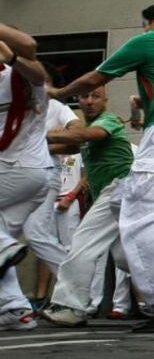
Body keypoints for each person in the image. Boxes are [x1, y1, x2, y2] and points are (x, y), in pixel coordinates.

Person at [48, 3, 154, 333]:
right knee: (131, 224)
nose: (143, 31)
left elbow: (95, 77)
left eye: (145, 25)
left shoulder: (152, 39)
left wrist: (59, 92)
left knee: (143, 218)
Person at [39, 85, 133, 327]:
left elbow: (84, 136)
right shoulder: (87, 129)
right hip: (118, 193)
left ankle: (71, 306)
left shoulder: (107, 120)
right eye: (84, 96)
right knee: (127, 257)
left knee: (82, 242)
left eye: (95, 96)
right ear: (78, 101)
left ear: (105, 99)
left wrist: (35, 133)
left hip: (121, 188)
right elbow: (70, 146)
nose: (89, 101)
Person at [0, 23, 49, 331]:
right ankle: (15, 308)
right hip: (36, 175)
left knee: (2, 246)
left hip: (13, 169)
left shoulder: (24, 76)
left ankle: (4, 245)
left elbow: (28, 47)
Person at [22, 63, 80, 310]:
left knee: (36, 233)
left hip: (45, 174)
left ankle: (74, 290)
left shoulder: (57, 107)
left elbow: (77, 138)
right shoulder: (22, 108)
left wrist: (44, 143)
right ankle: (11, 302)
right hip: (17, 175)